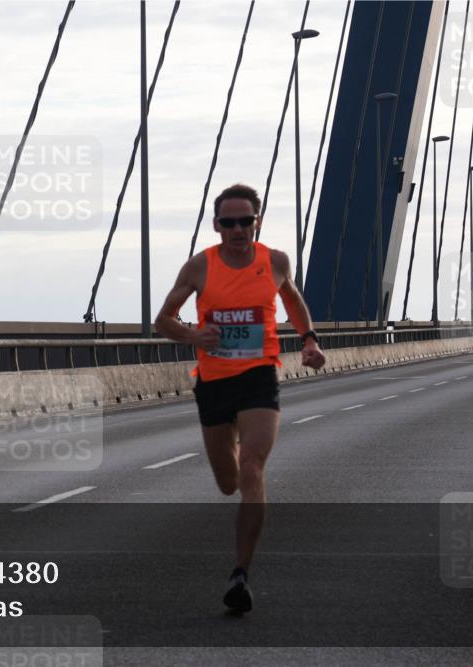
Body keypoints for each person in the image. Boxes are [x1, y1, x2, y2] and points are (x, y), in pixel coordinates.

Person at [154, 183, 326, 613]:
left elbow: (295, 302)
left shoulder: (276, 262)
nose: (236, 229)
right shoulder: (199, 267)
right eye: (228, 222)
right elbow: (163, 320)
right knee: (228, 482)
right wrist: (194, 334)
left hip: (258, 377)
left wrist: (309, 341)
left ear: (257, 222)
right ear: (216, 226)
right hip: (213, 381)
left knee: (252, 467)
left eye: (244, 221)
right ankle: (230, 449)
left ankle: (240, 575)